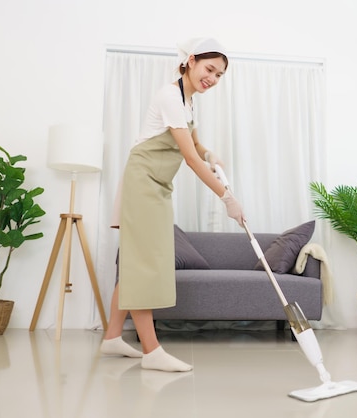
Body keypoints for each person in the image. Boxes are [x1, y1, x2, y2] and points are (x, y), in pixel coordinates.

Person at [99, 38, 244, 372]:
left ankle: (111, 337)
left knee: (139, 259)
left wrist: (210, 153)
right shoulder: (170, 96)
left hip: (158, 186)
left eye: (220, 75)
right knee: (145, 264)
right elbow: (190, 160)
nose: (213, 78)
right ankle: (152, 352)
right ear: (191, 61)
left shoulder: (187, 100)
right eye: (210, 69)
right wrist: (227, 197)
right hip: (143, 183)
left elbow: (194, 145)